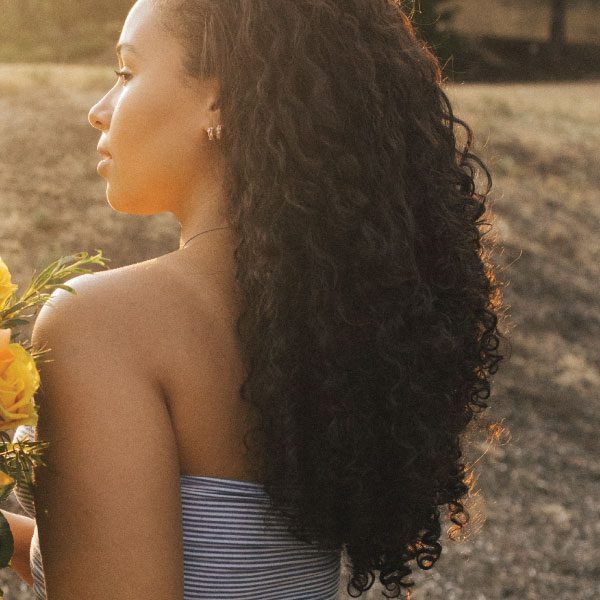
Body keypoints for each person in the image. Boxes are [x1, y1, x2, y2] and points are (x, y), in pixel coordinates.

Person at [3, 0, 506, 598]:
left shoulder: (102, 323)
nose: (98, 111)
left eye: (126, 71)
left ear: (220, 99)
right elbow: (206, 560)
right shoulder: (323, 322)